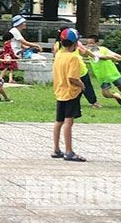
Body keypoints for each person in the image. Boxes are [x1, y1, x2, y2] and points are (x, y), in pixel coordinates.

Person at [51, 28, 86, 162]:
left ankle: (56, 149)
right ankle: (69, 151)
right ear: (75, 43)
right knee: (68, 121)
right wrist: (82, 85)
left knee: (58, 121)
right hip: (71, 92)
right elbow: (73, 78)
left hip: (59, 91)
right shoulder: (74, 58)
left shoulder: (59, 54)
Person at [53, 27, 99, 108]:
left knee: (71, 86)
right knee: (85, 86)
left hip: (70, 70)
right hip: (79, 69)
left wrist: (94, 56)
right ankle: (93, 102)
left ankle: (70, 101)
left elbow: (55, 55)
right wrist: (94, 56)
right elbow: (85, 51)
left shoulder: (58, 46)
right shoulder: (75, 45)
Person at [85, 35, 121, 108]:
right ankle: (115, 96)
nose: (89, 45)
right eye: (88, 43)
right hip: (102, 75)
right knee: (105, 94)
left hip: (112, 72)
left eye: (91, 43)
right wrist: (111, 57)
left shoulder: (104, 49)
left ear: (97, 43)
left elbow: (115, 54)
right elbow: (102, 57)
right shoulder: (89, 53)